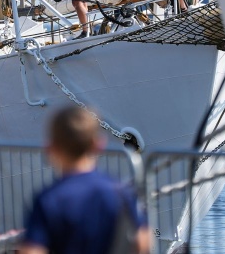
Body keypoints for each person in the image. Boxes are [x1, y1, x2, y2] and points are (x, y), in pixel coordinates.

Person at [20, 106, 149, 254]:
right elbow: (142, 240)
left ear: (52, 148)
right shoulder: (121, 192)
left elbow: (32, 250)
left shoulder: (48, 199)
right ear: (98, 144)